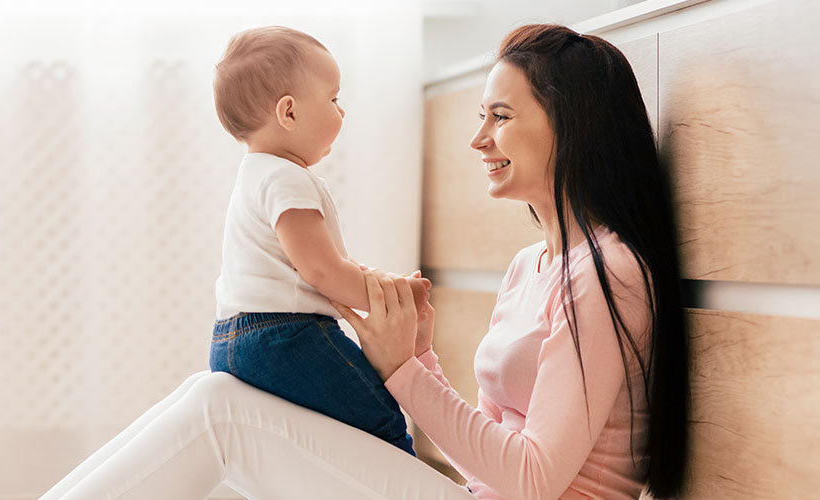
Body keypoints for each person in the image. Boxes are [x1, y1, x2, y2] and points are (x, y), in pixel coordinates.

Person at [38, 23, 690, 500]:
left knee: (221, 413)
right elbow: (486, 468)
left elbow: (531, 481)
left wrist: (404, 371)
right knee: (215, 394)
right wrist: (421, 359)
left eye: (499, 115)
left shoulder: (610, 275)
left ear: (571, 124)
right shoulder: (530, 267)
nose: (478, 137)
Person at [205, 25, 430, 458]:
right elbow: (322, 270)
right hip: (285, 337)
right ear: (288, 113)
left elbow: (315, 262)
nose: (341, 113)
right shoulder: (287, 178)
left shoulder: (254, 175)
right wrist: (393, 295)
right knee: (381, 418)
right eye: (333, 99)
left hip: (230, 340)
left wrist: (374, 277)